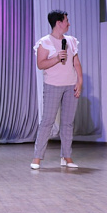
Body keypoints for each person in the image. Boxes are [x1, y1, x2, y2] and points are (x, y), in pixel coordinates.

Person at [30, 10, 83, 170]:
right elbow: (41, 64)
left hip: (70, 85)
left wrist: (79, 81)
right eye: (66, 20)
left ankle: (66, 157)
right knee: (47, 121)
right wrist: (56, 58)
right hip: (52, 85)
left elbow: (76, 63)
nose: (68, 23)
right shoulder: (44, 42)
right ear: (58, 23)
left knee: (68, 123)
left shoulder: (71, 41)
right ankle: (37, 158)